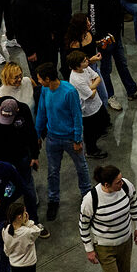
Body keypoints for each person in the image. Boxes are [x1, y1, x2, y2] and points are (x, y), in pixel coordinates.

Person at [34, 63, 91, 221]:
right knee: (52, 171)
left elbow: (77, 116)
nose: (38, 82)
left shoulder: (69, 92)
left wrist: (77, 139)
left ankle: (87, 196)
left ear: (47, 79)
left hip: (70, 138)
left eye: (40, 79)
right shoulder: (45, 90)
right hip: (52, 138)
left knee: (81, 167)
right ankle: (53, 200)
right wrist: (37, 135)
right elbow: (41, 112)